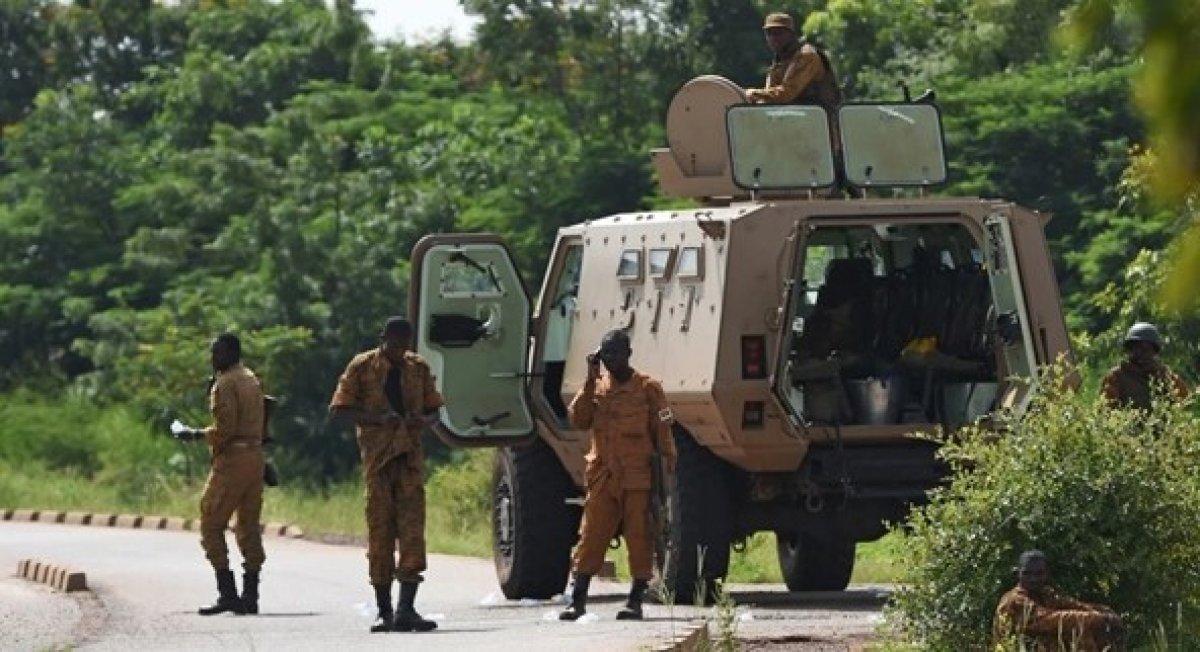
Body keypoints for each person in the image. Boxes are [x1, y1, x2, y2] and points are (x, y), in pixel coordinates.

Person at [330, 317, 444, 633]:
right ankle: (384, 610)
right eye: (394, 344)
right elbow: (339, 410)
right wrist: (377, 419)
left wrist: (424, 420)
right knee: (380, 535)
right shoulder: (362, 366)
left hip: (409, 460)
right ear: (384, 339)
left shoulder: (417, 368)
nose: (399, 350)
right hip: (378, 462)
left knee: (412, 533)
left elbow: (436, 408)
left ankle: (406, 609)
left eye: (405, 344)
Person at [559, 329, 677, 622]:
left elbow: (664, 434)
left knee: (640, 536)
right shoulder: (596, 388)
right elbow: (578, 419)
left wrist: (668, 470)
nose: (610, 360)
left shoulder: (648, 389)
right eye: (605, 354)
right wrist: (589, 377)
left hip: (637, 477)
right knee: (591, 535)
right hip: (603, 476)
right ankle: (578, 599)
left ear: (628, 354)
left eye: (615, 354)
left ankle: (636, 598)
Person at [173, 333, 267, 616]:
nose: (213, 358)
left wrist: (194, 434)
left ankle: (227, 593)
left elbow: (225, 429)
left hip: (233, 461)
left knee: (211, 522)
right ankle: (251, 595)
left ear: (230, 353)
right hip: (255, 457)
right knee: (248, 526)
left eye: (217, 353)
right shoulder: (250, 378)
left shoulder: (224, 383)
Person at [993, 550, 1124, 651]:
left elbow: (1070, 605)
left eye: (1039, 574)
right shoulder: (1014, 600)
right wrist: (1095, 619)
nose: (1033, 579)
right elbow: (1048, 619)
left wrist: (1102, 612)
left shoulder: (1044, 594)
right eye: (1027, 573)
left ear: (1047, 574)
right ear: (1018, 574)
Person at [744, 12, 842, 112]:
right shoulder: (780, 61)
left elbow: (787, 94)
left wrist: (755, 93)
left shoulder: (807, 56)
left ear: (791, 34)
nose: (773, 38)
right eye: (769, 33)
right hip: (797, 117)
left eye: (779, 33)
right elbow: (770, 97)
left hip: (821, 119)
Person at [1100, 321, 1189, 410]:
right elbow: (1107, 408)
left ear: (1154, 351)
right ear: (1130, 350)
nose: (1141, 353)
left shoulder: (1164, 375)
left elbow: (1185, 401)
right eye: (1136, 348)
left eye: (1146, 349)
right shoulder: (1116, 377)